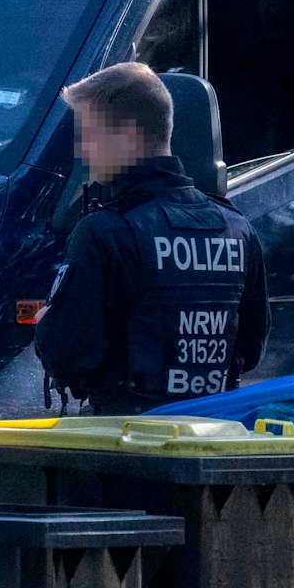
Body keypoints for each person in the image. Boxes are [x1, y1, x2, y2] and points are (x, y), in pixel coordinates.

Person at [34, 62, 269, 414]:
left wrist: (47, 325)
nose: (82, 153)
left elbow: (70, 356)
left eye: (88, 136)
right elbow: (251, 350)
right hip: (211, 438)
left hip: (122, 449)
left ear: (129, 134)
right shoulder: (237, 229)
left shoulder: (105, 230)